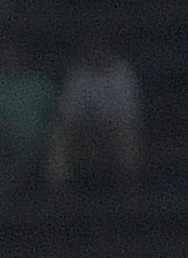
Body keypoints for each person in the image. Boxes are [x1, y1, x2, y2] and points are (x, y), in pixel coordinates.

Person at [50, 40, 142, 192]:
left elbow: (130, 111)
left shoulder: (122, 73)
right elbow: (68, 112)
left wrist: (105, 124)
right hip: (83, 128)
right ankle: (61, 192)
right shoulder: (77, 76)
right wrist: (88, 127)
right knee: (59, 136)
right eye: (91, 49)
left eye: (99, 49)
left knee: (128, 135)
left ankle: (130, 190)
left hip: (115, 126)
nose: (96, 53)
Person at [0, 44, 59, 197]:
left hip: (34, 137)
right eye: (6, 56)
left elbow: (55, 113)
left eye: (14, 56)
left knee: (29, 147)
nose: (10, 60)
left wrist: (45, 130)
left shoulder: (40, 83)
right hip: (3, 135)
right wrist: (3, 130)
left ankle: (6, 189)